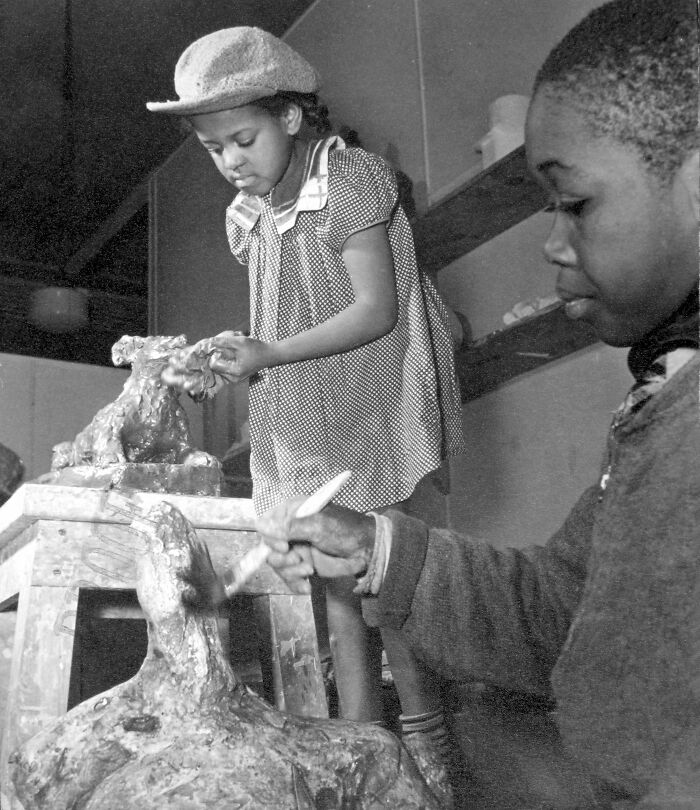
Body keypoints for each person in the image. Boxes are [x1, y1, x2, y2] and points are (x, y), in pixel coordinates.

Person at [256, 1, 700, 807]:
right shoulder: (661, 400)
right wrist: (380, 554)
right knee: (482, 728)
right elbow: (566, 607)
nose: (553, 243)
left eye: (576, 204)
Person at [147, 24, 465, 791]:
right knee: (332, 593)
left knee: (383, 584)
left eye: (243, 138)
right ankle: (361, 753)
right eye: (214, 148)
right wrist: (233, 355)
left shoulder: (352, 178)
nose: (230, 161)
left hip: (370, 399)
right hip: (302, 412)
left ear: (291, 116)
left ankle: (428, 755)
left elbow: (374, 311)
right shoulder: (247, 217)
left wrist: (270, 352)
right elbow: (281, 316)